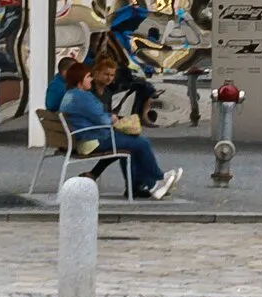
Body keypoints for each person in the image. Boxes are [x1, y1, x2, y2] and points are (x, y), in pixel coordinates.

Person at [56, 57, 178, 200]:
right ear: (79, 80)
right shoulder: (82, 97)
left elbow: (95, 115)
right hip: (92, 140)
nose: (90, 80)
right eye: (88, 77)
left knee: (134, 143)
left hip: (84, 138)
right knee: (141, 142)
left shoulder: (71, 95)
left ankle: (145, 185)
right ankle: (157, 179)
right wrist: (112, 118)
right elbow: (102, 119)